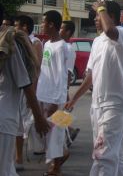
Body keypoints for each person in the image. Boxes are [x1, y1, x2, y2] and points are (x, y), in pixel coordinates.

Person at [65, 0, 123, 176]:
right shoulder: (96, 41)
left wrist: (101, 7)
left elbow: (110, 31)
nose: (95, 19)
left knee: (104, 154)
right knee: (114, 153)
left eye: (98, 15)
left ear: (110, 16)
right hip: (97, 105)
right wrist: (74, 98)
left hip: (114, 104)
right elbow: (90, 76)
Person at [0, 5, 49, 176]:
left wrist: (38, 116)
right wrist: (39, 118)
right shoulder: (9, 43)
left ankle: (19, 158)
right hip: (5, 119)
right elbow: (25, 83)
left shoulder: (11, 44)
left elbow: (28, 81)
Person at [36, 10, 71, 175]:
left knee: (54, 133)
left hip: (55, 98)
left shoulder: (63, 46)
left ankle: (56, 168)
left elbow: (62, 76)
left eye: (43, 22)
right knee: (45, 132)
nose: (41, 25)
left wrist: (56, 103)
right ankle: (64, 150)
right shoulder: (47, 44)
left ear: (51, 24)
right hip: (43, 94)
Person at [59, 20, 80, 146]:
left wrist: (66, 91)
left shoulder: (69, 48)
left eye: (61, 28)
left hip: (61, 88)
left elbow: (68, 72)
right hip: (53, 87)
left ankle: (69, 132)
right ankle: (69, 131)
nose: (59, 30)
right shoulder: (57, 44)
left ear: (68, 32)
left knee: (57, 114)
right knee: (56, 114)